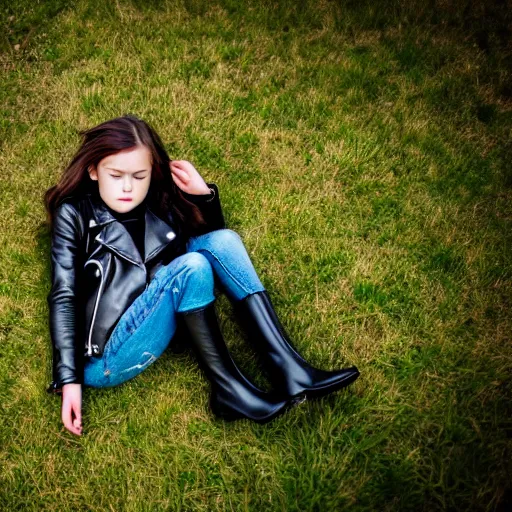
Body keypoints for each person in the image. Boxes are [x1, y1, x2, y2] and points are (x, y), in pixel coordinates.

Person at [44, 114, 359, 436]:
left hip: (156, 312)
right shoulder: (75, 213)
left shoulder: (158, 202)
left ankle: (290, 370)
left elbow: (212, 250)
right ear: (93, 170)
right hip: (107, 354)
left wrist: (201, 197)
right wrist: (69, 379)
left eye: (140, 176)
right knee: (190, 267)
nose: (128, 187)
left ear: (153, 172)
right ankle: (229, 391)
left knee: (224, 240)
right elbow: (64, 294)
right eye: (116, 175)